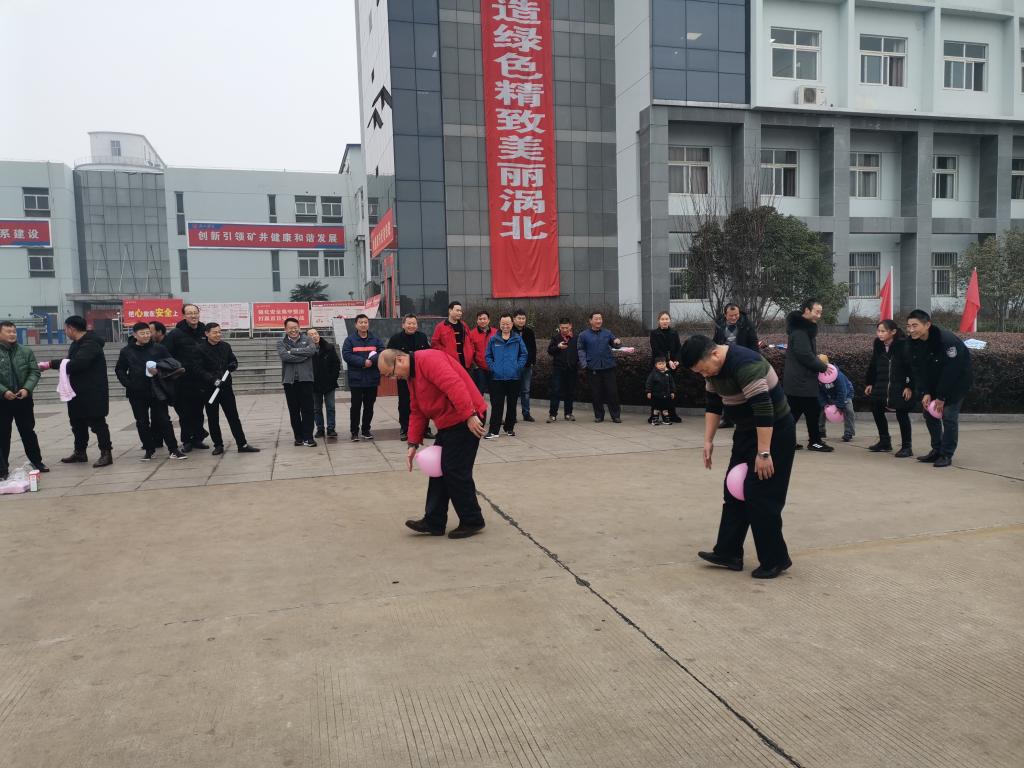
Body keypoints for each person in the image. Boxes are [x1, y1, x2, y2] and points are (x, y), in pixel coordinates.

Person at [680, 334, 795, 579]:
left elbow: (764, 409)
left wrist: (764, 452)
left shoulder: (745, 364)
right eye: (699, 373)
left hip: (774, 432)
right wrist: (708, 441)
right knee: (733, 491)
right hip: (745, 431)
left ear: (715, 354)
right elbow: (713, 405)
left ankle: (776, 560)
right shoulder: (712, 371)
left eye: (703, 370)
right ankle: (728, 552)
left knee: (761, 495)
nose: (704, 375)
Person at [377, 348, 488, 539]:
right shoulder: (412, 376)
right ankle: (434, 521)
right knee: (437, 469)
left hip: (466, 418)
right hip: (449, 422)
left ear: (400, 360)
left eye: (391, 374)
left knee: (454, 469)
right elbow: (417, 409)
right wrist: (412, 443)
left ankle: (472, 520)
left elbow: (454, 385)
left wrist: (469, 415)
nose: (394, 378)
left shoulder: (428, 360)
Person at [906, 309, 972, 468]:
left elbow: (952, 371)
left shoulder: (946, 341)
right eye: (909, 326)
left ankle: (946, 454)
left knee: (948, 416)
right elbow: (918, 369)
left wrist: (941, 397)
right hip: (935, 383)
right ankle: (936, 449)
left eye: (915, 326)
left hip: (956, 383)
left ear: (927, 325)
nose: (911, 330)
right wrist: (926, 392)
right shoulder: (913, 342)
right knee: (929, 414)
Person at [115, 321, 186, 461]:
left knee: (164, 420)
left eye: (148, 333)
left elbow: (172, 363)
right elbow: (120, 369)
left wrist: (158, 369)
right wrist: (128, 384)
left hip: (157, 390)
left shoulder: (159, 348)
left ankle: (173, 449)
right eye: (142, 333)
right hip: (137, 392)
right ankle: (149, 449)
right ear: (135, 335)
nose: (146, 336)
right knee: (142, 422)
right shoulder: (127, 351)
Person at [52, 315, 114, 468]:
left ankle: (106, 454)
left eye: (65, 329)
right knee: (77, 423)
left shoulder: (91, 343)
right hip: (76, 391)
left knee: (97, 423)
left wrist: (50, 364)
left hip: (93, 392)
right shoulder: (76, 344)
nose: (65, 331)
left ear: (71, 328)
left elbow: (78, 364)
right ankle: (80, 452)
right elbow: (70, 362)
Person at [195, 322, 260, 455]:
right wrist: (213, 380)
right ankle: (218, 445)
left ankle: (242, 444)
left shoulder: (225, 346)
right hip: (209, 390)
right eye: (215, 332)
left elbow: (233, 360)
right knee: (213, 418)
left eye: (220, 332)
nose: (218, 334)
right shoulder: (199, 349)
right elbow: (198, 369)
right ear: (207, 334)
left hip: (226, 388)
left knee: (233, 417)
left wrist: (233, 365)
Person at [784, 299, 832, 452]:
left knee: (793, 413)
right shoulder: (800, 332)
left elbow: (806, 353)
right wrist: (823, 367)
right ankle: (815, 441)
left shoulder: (802, 330)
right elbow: (805, 355)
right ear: (806, 310)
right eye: (817, 312)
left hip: (799, 380)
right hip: (802, 381)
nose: (819, 315)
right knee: (812, 411)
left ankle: (785, 441)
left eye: (820, 312)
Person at [0, 320, 47, 479]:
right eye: (8, 331)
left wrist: (27, 388)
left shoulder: (25, 351)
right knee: (2, 434)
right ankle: (2, 469)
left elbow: (34, 372)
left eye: (14, 331)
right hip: (2, 401)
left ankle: (37, 462)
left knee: (28, 432)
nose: (12, 334)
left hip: (23, 399)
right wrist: (4, 391)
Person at [864, 319, 915, 457]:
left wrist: (909, 386)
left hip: (899, 386)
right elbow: (873, 364)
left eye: (883, 331)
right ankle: (884, 441)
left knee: (901, 414)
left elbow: (911, 368)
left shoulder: (903, 345)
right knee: (876, 409)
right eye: (878, 331)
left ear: (893, 332)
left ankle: (907, 447)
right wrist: (870, 383)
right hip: (881, 384)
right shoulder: (878, 344)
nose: (880, 334)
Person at [163, 304, 210, 452]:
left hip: (201, 379)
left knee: (198, 411)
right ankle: (187, 440)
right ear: (183, 316)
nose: (193, 316)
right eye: (190, 313)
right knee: (184, 413)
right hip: (182, 380)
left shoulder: (205, 331)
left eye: (195, 312)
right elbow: (166, 354)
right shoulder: (175, 334)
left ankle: (197, 438)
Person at [387, 314, 431, 442]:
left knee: (423, 403)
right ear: (403, 325)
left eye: (414, 324)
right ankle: (405, 429)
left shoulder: (422, 337)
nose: (411, 326)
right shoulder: (396, 339)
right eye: (409, 323)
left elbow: (428, 355)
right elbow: (389, 356)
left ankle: (424, 429)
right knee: (404, 403)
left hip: (420, 376)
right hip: (403, 377)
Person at [342, 313, 385, 442]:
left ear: (368, 324)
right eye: (360, 322)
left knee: (369, 406)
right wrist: (363, 362)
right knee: (355, 407)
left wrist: (371, 361)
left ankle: (366, 430)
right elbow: (347, 355)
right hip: (356, 379)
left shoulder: (375, 339)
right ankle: (354, 431)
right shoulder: (350, 340)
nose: (363, 324)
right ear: (356, 324)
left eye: (365, 322)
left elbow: (382, 352)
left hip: (372, 379)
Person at [484, 313, 528, 439]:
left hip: (514, 377)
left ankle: (509, 428)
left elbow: (524, 354)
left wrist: (518, 367)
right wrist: (493, 367)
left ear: (512, 324)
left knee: (512, 404)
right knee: (497, 405)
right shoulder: (493, 339)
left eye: (508, 324)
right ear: (499, 324)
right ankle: (494, 430)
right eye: (503, 324)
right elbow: (488, 355)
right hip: (497, 378)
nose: (505, 326)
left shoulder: (517, 339)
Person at [277, 317, 318, 447]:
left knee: (308, 410)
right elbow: (285, 356)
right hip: (289, 382)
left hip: (306, 380)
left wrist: (293, 351)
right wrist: (303, 357)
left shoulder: (308, 339)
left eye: (295, 327)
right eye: (290, 328)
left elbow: (311, 351)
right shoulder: (281, 342)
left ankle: (308, 437)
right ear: (285, 329)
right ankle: (298, 437)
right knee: (294, 411)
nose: (293, 330)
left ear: (299, 327)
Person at [577, 311, 622, 423]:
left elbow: (615, 344)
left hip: (608, 366)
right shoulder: (583, 335)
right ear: (590, 321)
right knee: (596, 393)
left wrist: (617, 342)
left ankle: (616, 416)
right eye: (596, 319)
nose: (599, 321)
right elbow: (581, 349)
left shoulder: (607, 332)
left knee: (612, 392)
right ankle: (599, 415)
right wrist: (584, 364)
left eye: (600, 318)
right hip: (593, 367)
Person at [649, 310, 682, 423]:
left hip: (672, 366)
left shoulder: (674, 333)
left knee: (670, 390)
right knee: (656, 391)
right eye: (662, 319)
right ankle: (654, 415)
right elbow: (656, 350)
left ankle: (671, 414)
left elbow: (678, 349)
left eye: (667, 319)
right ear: (658, 321)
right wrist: (668, 361)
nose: (665, 321)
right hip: (658, 365)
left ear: (670, 320)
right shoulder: (654, 333)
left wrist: (677, 361)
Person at [307, 328, 340, 438]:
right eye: (311, 334)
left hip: (329, 383)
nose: (314, 336)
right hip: (314, 384)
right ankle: (320, 429)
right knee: (316, 408)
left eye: (316, 333)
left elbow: (336, 364)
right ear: (308, 338)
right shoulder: (306, 350)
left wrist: (333, 378)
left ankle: (331, 429)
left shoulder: (329, 347)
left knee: (330, 407)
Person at [816, 354, 856, 442]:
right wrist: (824, 404)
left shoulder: (838, 375)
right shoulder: (817, 376)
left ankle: (849, 432)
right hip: (830, 395)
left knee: (848, 410)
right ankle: (820, 430)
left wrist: (839, 405)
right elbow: (820, 392)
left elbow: (842, 390)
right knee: (821, 409)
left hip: (846, 394)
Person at [546, 317, 578, 422]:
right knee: (556, 391)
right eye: (562, 328)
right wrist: (558, 347)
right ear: (559, 327)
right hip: (558, 368)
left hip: (572, 369)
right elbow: (550, 351)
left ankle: (568, 413)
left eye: (566, 327)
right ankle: (552, 414)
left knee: (570, 391)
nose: (564, 330)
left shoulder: (576, 338)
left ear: (570, 326)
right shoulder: (556, 338)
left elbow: (580, 351)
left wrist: (576, 362)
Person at [430, 301, 475, 371]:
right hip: (450, 364)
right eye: (457, 310)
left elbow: (470, 341)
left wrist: (470, 353)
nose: (460, 313)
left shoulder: (464, 325)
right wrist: (445, 352)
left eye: (460, 311)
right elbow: (434, 344)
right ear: (450, 311)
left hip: (466, 364)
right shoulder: (440, 327)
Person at [512, 309, 537, 422]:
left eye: (523, 318)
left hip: (527, 366)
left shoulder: (529, 332)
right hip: (514, 367)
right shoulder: (510, 331)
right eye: (519, 318)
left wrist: (531, 361)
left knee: (526, 391)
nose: (521, 320)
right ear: (514, 319)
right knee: (513, 391)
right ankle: (512, 415)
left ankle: (526, 413)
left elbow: (533, 348)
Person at [469, 310, 496, 396]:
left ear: (489, 320)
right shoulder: (471, 334)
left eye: (484, 319)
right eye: (480, 319)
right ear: (477, 321)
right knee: (479, 393)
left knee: (495, 393)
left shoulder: (496, 333)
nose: (482, 321)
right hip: (479, 368)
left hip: (493, 367)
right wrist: (475, 366)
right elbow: (470, 351)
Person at [645, 356, 676, 425]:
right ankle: (655, 419)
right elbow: (649, 383)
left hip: (666, 395)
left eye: (663, 364)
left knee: (665, 408)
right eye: (660, 364)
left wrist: (672, 392)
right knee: (656, 408)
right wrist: (648, 391)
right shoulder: (653, 374)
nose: (662, 365)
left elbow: (672, 383)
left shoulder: (668, 373)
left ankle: (666, 419)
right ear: (656, 365)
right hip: (656, 395)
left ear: (666, 364)